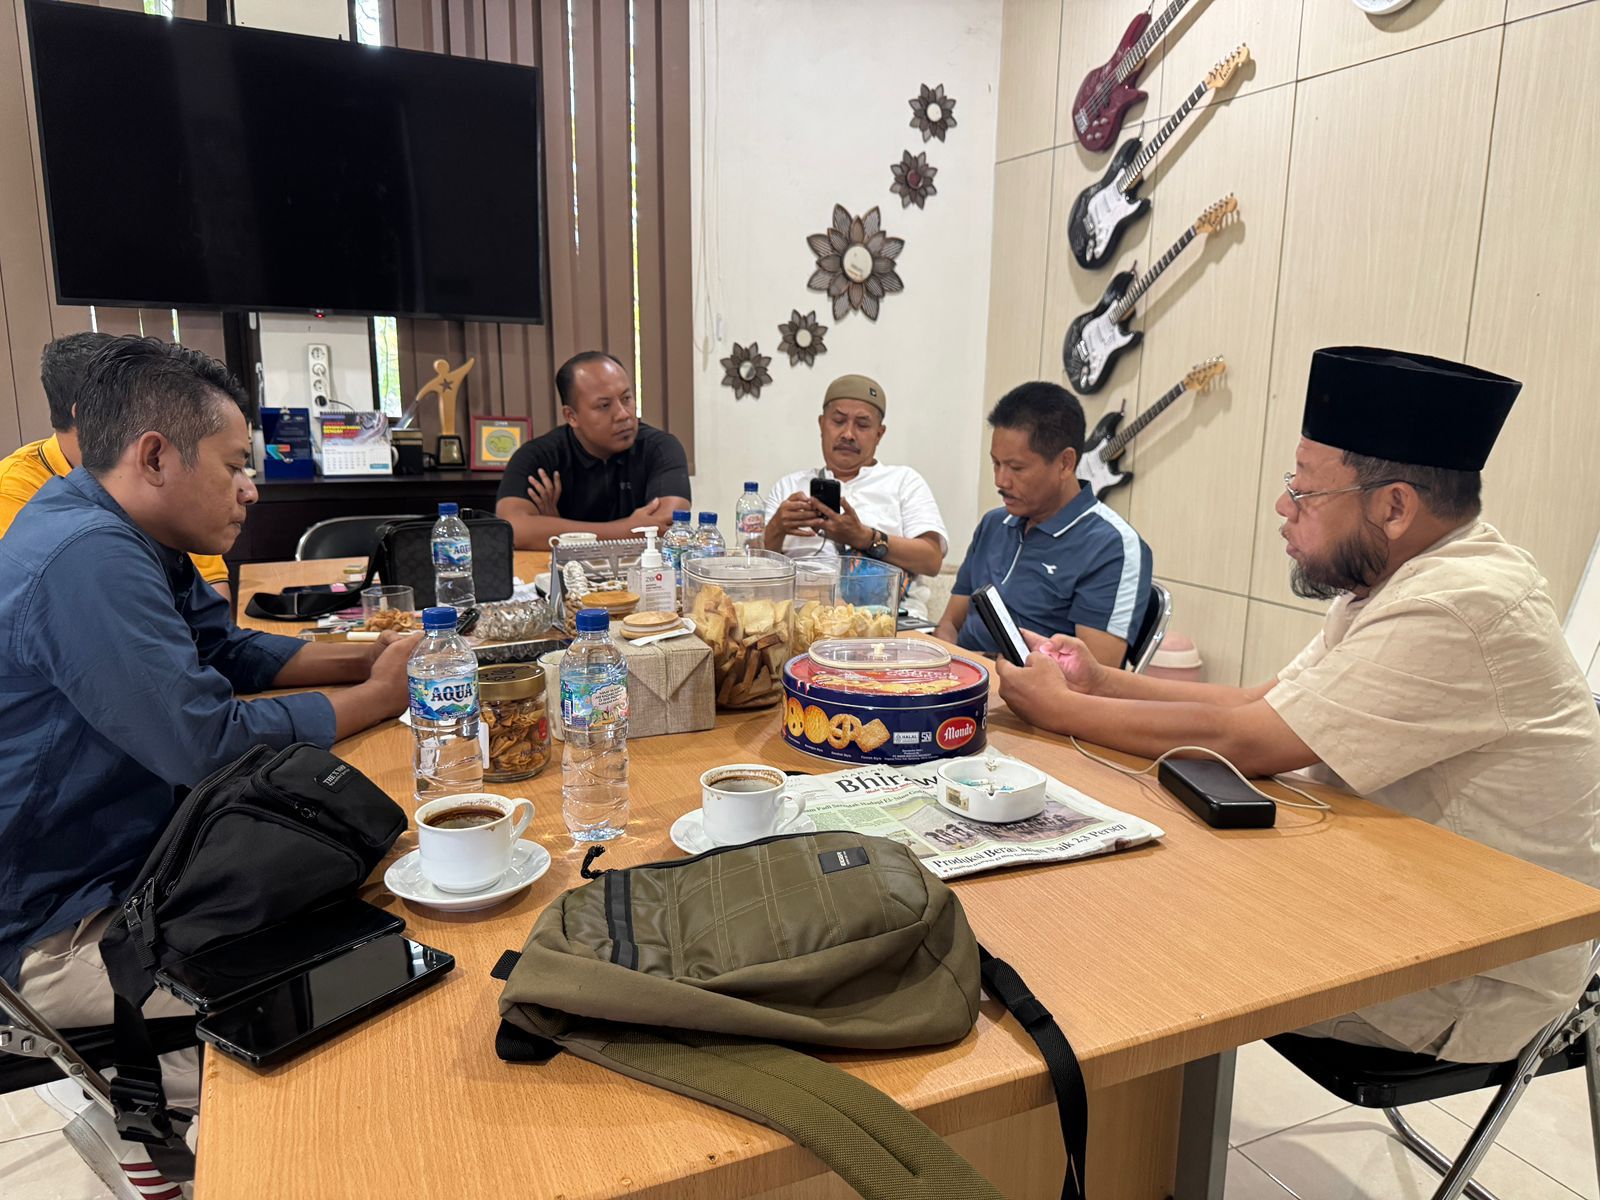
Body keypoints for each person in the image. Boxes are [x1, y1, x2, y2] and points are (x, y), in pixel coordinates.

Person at [998, 346, 1600, 1063]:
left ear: (1395, 506)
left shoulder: (1461, 603)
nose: (1284, 507)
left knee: (1131, 938)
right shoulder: (1399, 577)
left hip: (1475, 975)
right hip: (1399, 900)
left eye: (1305, 490)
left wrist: (1060, 712)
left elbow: (1254, 740)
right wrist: (1103, 684)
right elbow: (1265, 702)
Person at [0, 337, 416, 1193]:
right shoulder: (86, 556)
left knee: (376, 889)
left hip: (139, 860)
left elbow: (226, 648)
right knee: (360, 1012)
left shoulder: (125, 526)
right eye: (235, 466)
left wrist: (381, 657)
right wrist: (378, 700)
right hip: (63, 921)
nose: (251, 489)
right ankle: (164, 1127)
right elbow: (206, 744)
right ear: (155, 455)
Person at [0, 331, 233, 603]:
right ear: (90, 413)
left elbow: (213, 595)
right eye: (141, 406)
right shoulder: (16, 492)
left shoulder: (157, 466)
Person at [935, 381, 1152, 667]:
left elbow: (1093, 679)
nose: (1000, 481)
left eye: (1016, 468)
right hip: (964, 683)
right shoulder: (994, 523)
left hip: (1031, 701)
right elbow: (950, 622)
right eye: (995, 464)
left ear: (1065, 463)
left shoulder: (1111, 546)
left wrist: (987, 671)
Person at [762, 373, 948, 621]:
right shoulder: (788, 486)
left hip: (887, 624)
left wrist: (864, 537)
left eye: (862, 425)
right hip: (801, 621)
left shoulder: (904, 481)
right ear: (821, 424)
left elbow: (931, 560)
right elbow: (754, 570)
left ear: (879, 434)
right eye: (838, 421)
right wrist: (776, 528)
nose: (848, 434)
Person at [495, 351, 691, 547]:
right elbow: (512, 528)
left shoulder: (660, 448)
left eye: (626, 398)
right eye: (604, 405)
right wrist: (625, 530)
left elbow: (666, 524)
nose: (623, 414)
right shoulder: (539, 457)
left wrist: (555, 529)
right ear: (571, 416)